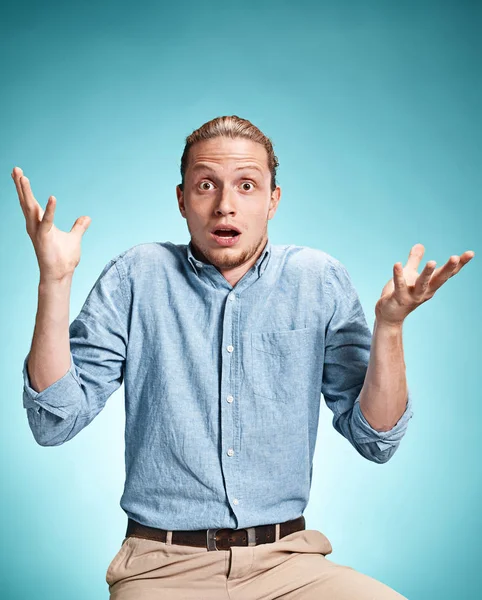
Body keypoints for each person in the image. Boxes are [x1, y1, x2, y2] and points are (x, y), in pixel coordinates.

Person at [15, 115, 474, 599]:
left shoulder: (318, 280)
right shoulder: (137, 276)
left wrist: (391, 326)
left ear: (273, 200)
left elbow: (376, 440)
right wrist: (55, 279)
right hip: (161, 569)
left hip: (289, 564)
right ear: (181, 199)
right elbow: (54, 422)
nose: (225, 205)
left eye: (247, 185)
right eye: (206, 185)